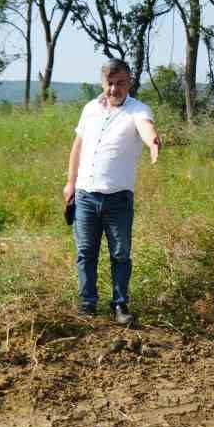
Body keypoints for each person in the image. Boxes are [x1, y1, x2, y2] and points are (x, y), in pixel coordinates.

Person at [63, 59, 161, 324]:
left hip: (118, 198)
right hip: (85, 196)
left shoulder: (137, 110)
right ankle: (87, 304)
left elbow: (145, 127)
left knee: (120, 254)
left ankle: (120, 306)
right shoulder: (89, 109)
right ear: (102, 83)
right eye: (110, 84)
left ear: (129, 82)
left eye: (120, 84)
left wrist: (153, 141)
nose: (114, 89)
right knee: (86, 253)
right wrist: (70, 183)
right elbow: (77, 148)